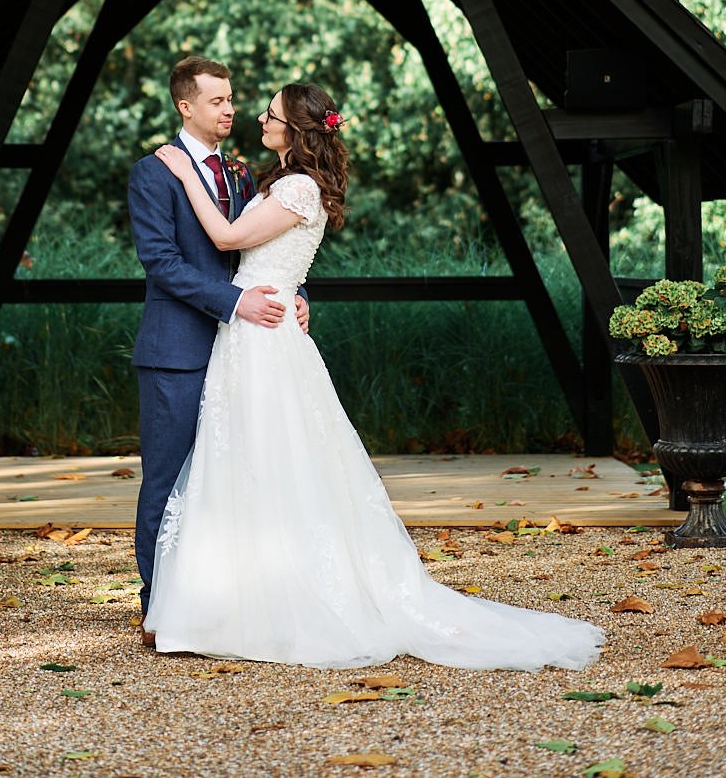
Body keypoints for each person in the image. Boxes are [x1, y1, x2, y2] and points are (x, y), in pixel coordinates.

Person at [144, 81, 605, 671]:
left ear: (296, 130)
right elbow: (260, 260)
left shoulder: (299, 186)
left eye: (270, 113)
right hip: (249, 334)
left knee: (268, 458)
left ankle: (281, 601)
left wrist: (185, 176)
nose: (258, 118)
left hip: (263, 340)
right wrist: (290, 290)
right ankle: (240, 596)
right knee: (246, 460)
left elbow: (230, 239)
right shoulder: (283, 182)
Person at [128, 56, 308, 644]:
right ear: (186, 106)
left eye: (233, 99)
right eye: (218, 101)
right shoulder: (153, 174)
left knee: (228, 480)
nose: (231, 109)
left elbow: (257, 250)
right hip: (177, 351)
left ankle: (220, 602)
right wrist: (237, 305)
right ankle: (158, 607)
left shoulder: (239, 174)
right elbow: (162, 264)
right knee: (168, 481)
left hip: (243, 354)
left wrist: (294, 292)